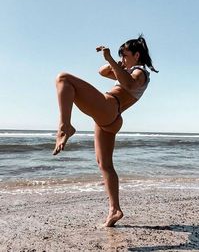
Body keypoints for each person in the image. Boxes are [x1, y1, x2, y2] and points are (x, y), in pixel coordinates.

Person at [53, 35, 158, 227]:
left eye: (125, 55)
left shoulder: (139, 73)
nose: (122, 59)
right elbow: (101, 72)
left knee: (63, 78)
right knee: (105, 165)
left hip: (109, 107)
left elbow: (129, 84)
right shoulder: (127, 70)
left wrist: (111, 60)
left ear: (137, 55)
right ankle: (115, 209)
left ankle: (64, 127)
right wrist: (116, 63)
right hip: (110, 119)